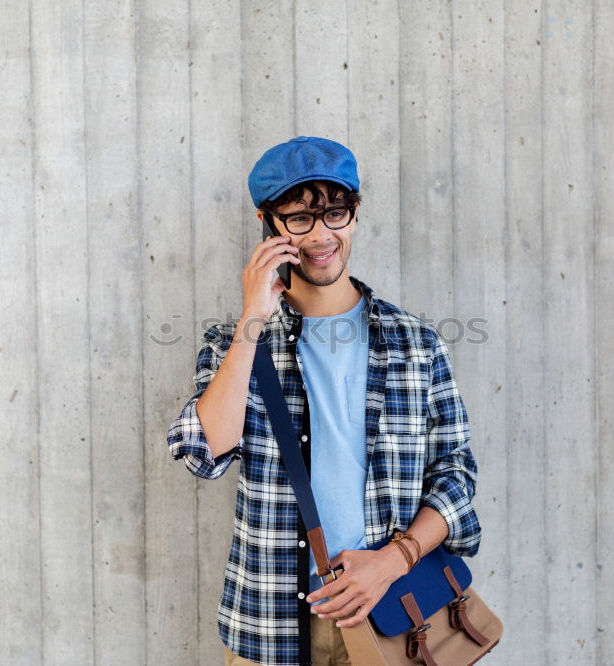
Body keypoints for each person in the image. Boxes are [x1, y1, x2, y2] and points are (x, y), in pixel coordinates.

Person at [167, 136, 481, 666]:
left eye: (334, 213)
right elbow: (203, 453)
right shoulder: (235, 343)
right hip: (269, 625)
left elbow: (457, 476)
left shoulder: (415, 342)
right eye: (298, 218)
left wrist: (392, 561)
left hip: (395, 614)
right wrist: (253, 317)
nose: (320, 236)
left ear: (354, 214)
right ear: (268, 222)